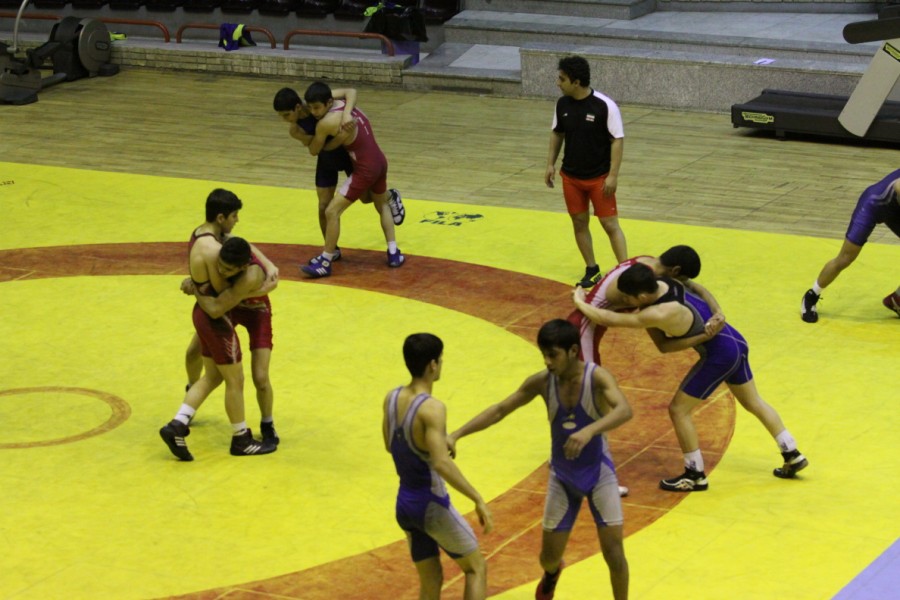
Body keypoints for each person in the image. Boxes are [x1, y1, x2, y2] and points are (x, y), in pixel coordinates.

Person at [573, 263, 808, 492]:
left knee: (678, 410)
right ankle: (792, 452)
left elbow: (609, 319)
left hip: (720, 354)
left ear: (642, 296)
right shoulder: (668, 282)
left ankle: (694, 474)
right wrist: (718, 312)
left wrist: (579, 301)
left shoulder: (658, 312)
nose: (624, 303)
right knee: (753, 401)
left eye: (627, 299)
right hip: (736, 340)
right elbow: (700, 288)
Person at [448, 319, 631, 600]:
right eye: (544, 354)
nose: (547, 361)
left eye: (552, 355)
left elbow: (624, 410)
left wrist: (590, 430)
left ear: (573, 351)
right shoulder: (542, 382)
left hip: (598, 472)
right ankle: (553, 573)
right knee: (548, 558)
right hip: (563, 475)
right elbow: (500, 410)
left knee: (614, 552)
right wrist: (457, 434)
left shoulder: (597, 378)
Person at [160, 190, 277, 460]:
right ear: (221, 217)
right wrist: (201, 290)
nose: (222, 271)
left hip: (207, 314)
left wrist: (268, 268)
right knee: (235, 380)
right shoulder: (216, 251)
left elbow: (242, 245)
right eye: (234, 216)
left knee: (213, 376)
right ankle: (241, 439)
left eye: (227, 270)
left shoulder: (203, 236)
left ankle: (177, 424)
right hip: (215, 318)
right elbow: (216, 306)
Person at [382, 333, 493, 600]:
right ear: (433, 364)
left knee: (431, 579)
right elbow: (442, 463)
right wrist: (477, 498)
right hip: (430, 504)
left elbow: (390, 444)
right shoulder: (432, 409)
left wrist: (430, 443)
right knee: (476, 568)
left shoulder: (392, 398)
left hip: (405, 505)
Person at [272, 87, 406, 262]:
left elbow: (351, 92)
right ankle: (332, 249)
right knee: (324, 207)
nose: (284, 120)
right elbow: (315, 149)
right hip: (327, 157)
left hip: (348, 155)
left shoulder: (315, 100)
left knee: (367, 198)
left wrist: (347, 114)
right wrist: (341, 136)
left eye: (286, 115)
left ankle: (390, 195)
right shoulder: (295, 130)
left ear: (298, 107)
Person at [545, 55, 628, 289]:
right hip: (571, 177)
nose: (558, 83)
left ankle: (626, 271)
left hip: (599, 178)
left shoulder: (604, 106)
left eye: (562, 79)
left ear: (576, 81)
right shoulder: (562, 104)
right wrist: (550, 164)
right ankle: (592, 269)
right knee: (579, 222)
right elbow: (557, 133)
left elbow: (617, 140)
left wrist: (613, 175)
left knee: (610, 224)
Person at [568, 245, 724, 366]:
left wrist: (718, 311)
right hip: (585, 326)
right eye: (682, 278)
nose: (681, 283)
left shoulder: (647, 262)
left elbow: (696, 287)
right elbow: (607, 318)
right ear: (675, 270)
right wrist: (579, 302)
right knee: (589, 383)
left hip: (590, 321)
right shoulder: (642, 280)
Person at [801, 170, 900, 322]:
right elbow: (898, 186)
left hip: (894, 208)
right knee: (845, 258)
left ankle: (897, 300)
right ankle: (811, 296)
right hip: (872, 205)